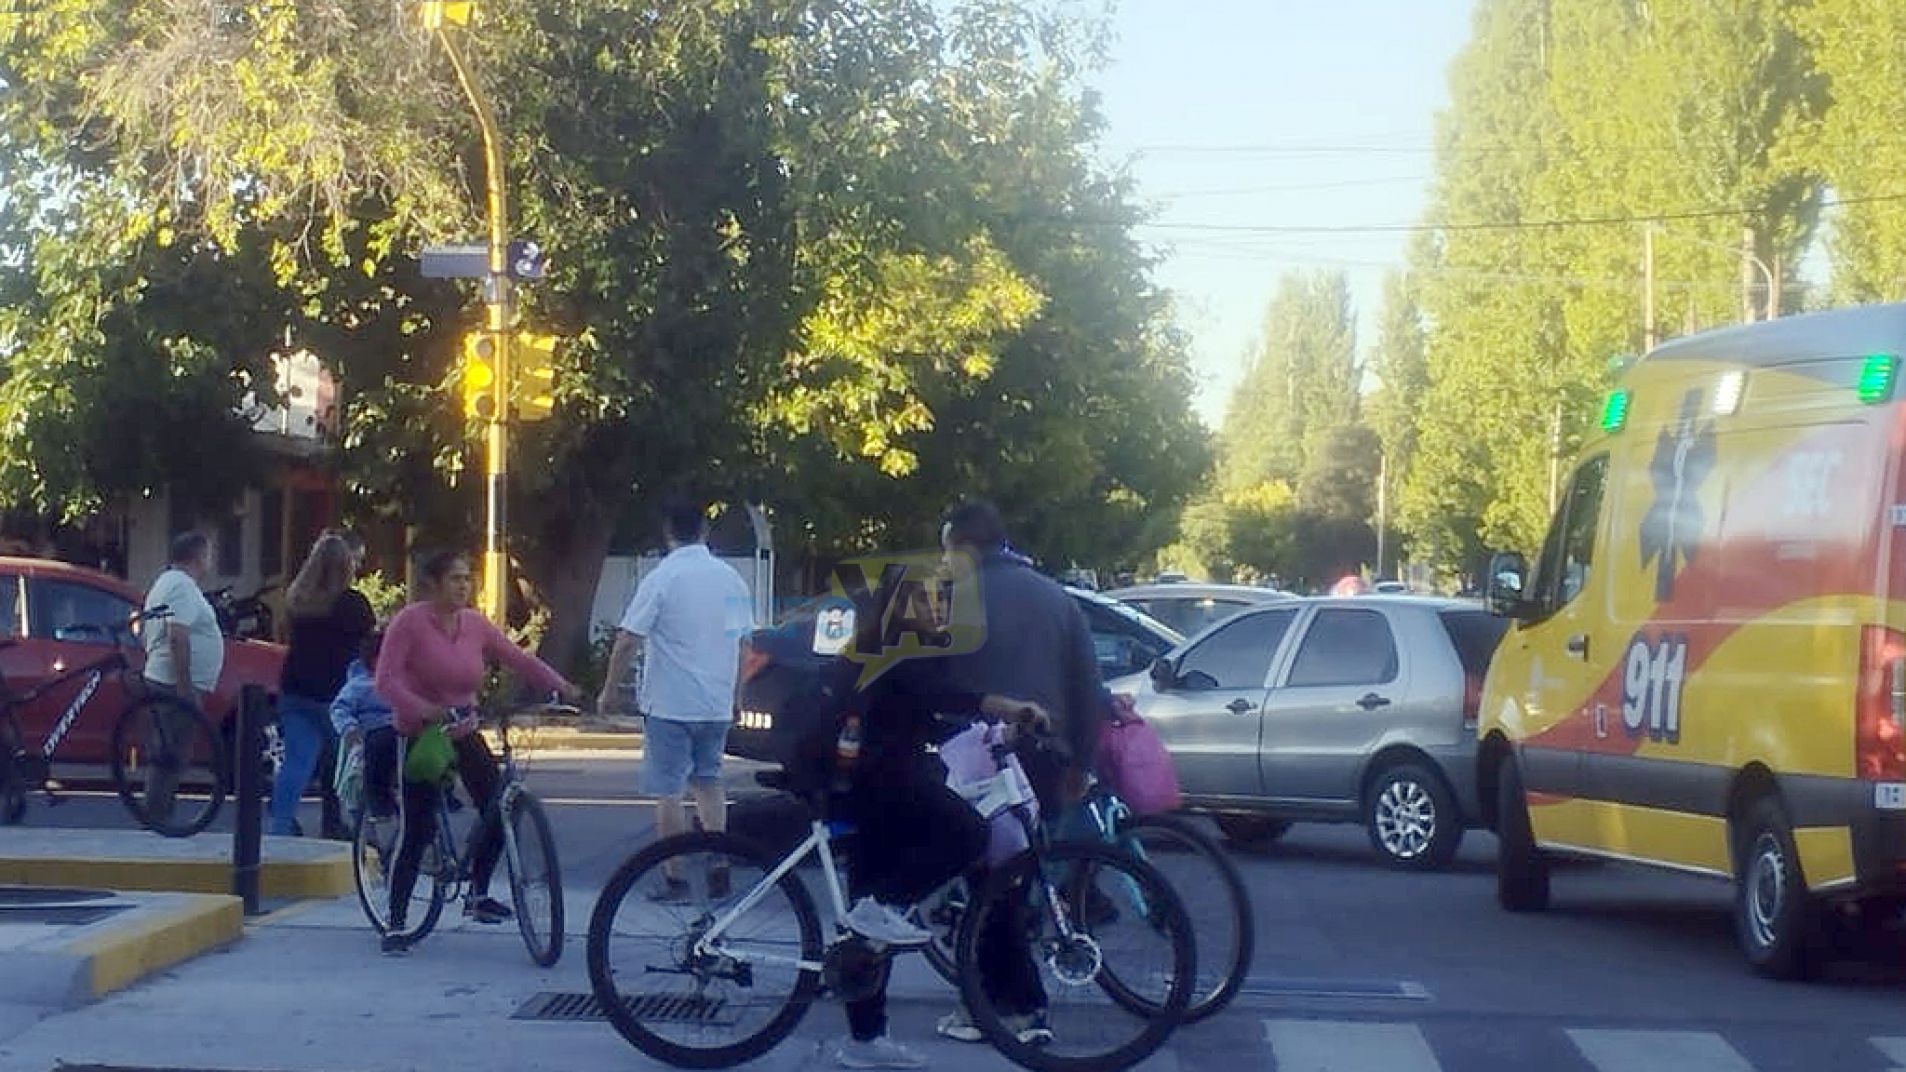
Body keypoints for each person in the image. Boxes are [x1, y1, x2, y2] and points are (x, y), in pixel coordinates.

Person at [783, 577, 1040, 1070]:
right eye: (928, 599)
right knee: (967, 832)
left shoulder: (887, 649)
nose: (939, 607)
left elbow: (930, 714)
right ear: (901, 606)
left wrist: (1000, 730)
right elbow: (942, 694)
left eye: (943, 598)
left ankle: (865, 1041)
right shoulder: (895, 651)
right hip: (874, 782)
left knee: (871, 926)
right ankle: (880, 910)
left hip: (869, 782)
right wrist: (1004, 705)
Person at [933, 499, 1108, 1046]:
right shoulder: (1057, 597)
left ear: (961, 546)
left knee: (987, 885)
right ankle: (996, 1000)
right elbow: (1089, 690)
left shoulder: (954, 596)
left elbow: (930, 681)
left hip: (980, 755)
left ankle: (1006, 1008)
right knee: (1012, 879)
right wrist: (1082, 762)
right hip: (1047, 755)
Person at [373, 550, 583, 955]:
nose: (463, 586)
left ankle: (477, 891)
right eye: (454, 579)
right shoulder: (410, 623)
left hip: (464, 728)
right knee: (417, 829)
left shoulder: (474, 624)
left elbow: (517, 658)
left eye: (467, 579)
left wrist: (564, 687)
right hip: (422, 734)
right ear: (432, 584)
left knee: (500, 806)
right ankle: (396, 921)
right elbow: (385, 682)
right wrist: (425, 709)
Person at [597, 498, 754, 901]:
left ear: (668, 533)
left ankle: (675, 877)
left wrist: (609, 691)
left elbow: (629, 638)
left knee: (668, 791)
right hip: (716, 702)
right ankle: (718, 861)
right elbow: (743, 643)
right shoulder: (732, 579)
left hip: (669, 704)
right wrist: (736, 696)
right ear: (704, 531)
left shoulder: (661, 579)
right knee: (709, 783)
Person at [270, 534, 375, 838]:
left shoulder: (297, 599)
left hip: (295, 688)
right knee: (344, 762)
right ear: (346, 567)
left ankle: (279, 826)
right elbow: (370, 643)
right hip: (336, 693)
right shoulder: (352, 604)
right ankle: (339, 824)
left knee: (297, 762)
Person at [140, 532, 226, 822]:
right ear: (198, 556)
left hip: (162, 678)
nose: (211, 560)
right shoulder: (182, 586)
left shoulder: (165, 583)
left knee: (167, 753)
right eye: (209, 553)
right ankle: (157, 820)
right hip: (171, 683)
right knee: (170, 755)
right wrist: (184, 686)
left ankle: (157, 817)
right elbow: (177, 636)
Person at [330, 630, 395, 824]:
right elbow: (339, 709)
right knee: (374, 747)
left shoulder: (408, 683)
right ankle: (376, 804)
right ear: (375, 661)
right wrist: (350, 729)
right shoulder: (359, 686)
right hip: (371, 738)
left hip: (404, 733)